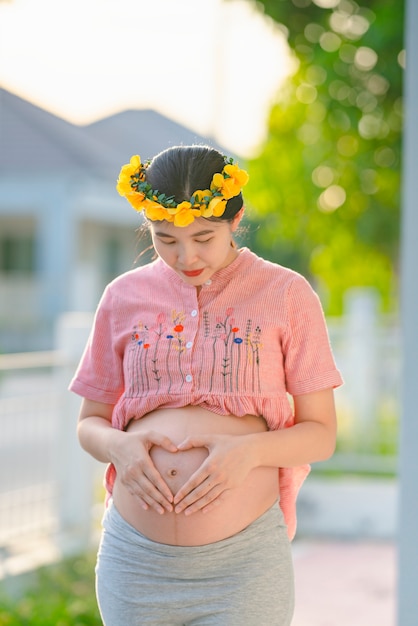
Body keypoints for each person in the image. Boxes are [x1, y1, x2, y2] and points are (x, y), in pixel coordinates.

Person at [69, 145, 343, 626]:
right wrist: (121, 447)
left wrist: (249, 452)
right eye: (165, 238)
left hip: (241, 569)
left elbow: (320, 434)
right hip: (135, 563)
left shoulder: (287, 294)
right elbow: (89, 423)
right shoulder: (122, 297)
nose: (186, 255)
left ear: (235, 220)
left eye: (203, 237)